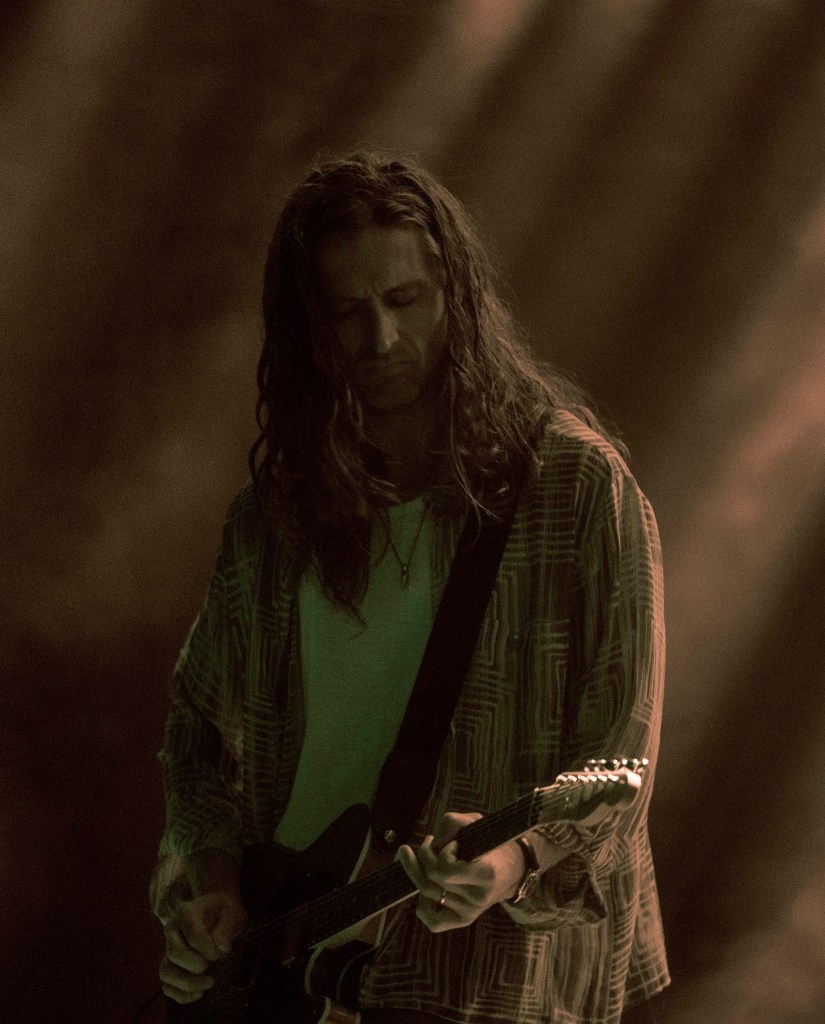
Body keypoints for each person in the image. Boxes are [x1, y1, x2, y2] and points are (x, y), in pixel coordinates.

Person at [150, 151, 669, 1024]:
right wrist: (213, 884)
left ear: (457, 298)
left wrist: (510, 861)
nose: (380, 340)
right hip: (287, 955)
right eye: (345, 312)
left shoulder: (571, 486)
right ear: (305, 326)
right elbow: (195, 732)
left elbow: (622, 752)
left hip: (480, 977)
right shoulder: (273, 517)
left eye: (405, 300)